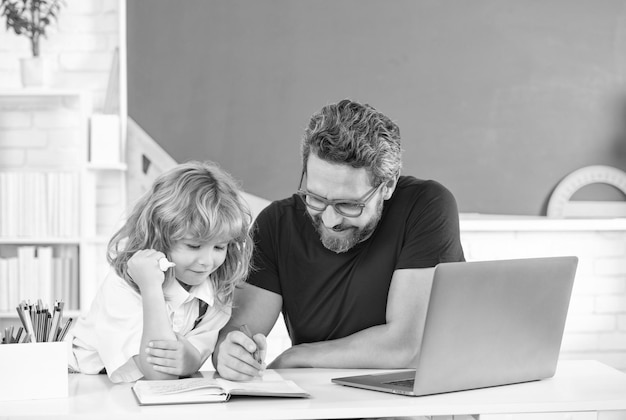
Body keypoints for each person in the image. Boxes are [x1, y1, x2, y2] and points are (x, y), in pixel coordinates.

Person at [213, 99, 465, 381]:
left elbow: (404, 346)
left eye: (349, 205)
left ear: (388, 186)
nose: (330, 219)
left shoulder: (426, 206)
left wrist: (296, 356)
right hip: (322, 402)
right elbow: (237, 333)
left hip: (413, 402)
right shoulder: (276, 224)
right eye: (316, 198)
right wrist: (229, 354)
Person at [67, 160, 254, 383]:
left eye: (219, 247)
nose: (206, 261)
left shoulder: (215, 292)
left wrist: (189, 359)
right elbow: (160, 373)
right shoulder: (124, 284)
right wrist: (151, 287)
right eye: (193, 246)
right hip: (81, 384)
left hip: (137, 394)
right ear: (160, 237)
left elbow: (194, 354)